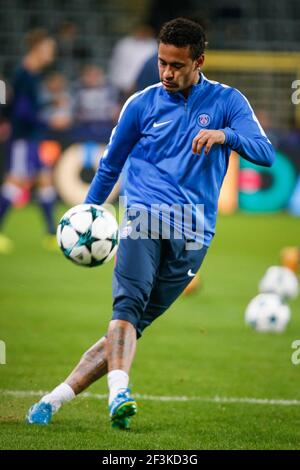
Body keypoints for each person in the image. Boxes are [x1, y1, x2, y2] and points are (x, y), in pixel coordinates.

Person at [26, 18, 275, 430]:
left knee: (129, 329)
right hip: (142, 217)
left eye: (177, 65)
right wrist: (88, 214)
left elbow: (264, 152)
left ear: (199, 61)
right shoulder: (141, 104)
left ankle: (54, 399)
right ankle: (119, 394)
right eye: (162, 63)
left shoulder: (229, 103)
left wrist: (225, 136)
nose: (167, 73)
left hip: (194, 234)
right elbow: (110, 166)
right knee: (125, 309)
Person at [0, 29, 64, 253]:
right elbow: (21, 112)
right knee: (15, 182)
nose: (51, 53)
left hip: (32, 137)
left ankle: (50, 233)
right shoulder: (24, 74)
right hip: (23, 138)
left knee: (45, 180)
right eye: (49, 48)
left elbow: (26, 108)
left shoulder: (33, 75)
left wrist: (48, 107)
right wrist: (49, 121)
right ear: (38, 48)